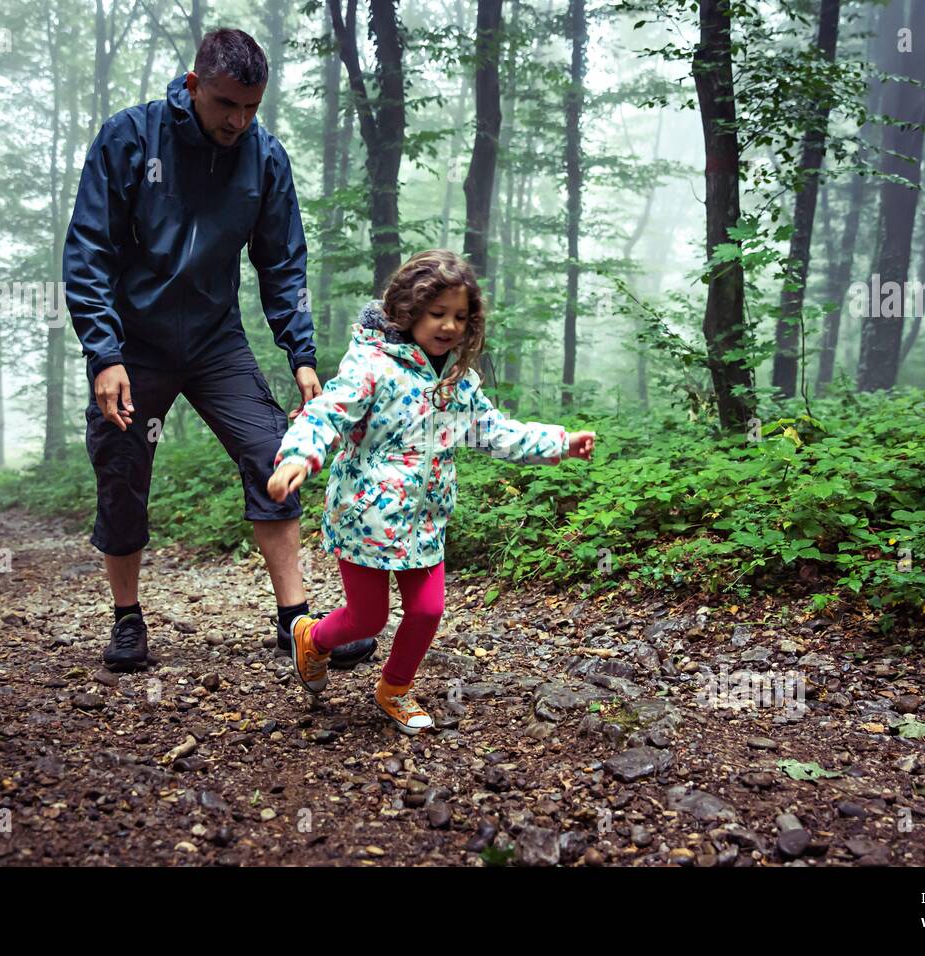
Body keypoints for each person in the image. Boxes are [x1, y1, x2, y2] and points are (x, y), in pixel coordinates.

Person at [63, 28, 376, 672]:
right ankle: (127, 619)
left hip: (214, 340)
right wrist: (104, 353)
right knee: (123, 470)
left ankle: (295, 622)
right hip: (134, 343)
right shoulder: (129, 139)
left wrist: (302, 355)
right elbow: (88, 252)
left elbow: (283, 262)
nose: (238, 120)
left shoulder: (263, 157)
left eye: (251, 108)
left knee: (272, 453)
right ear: (193, 87)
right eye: (226, 104)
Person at [267, 250, 596, 733]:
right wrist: (299, 455)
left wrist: (559, 443)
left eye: (460, 317)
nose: (449, 326)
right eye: (438, 313)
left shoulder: (457, 383)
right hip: (365, 516)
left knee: (428, 609)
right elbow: (327, 412)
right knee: (367, 617)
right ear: (409, 309)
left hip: (425, 518)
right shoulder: (373, 365)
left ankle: (394, 688)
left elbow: (493, 431)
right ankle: (312, 638)